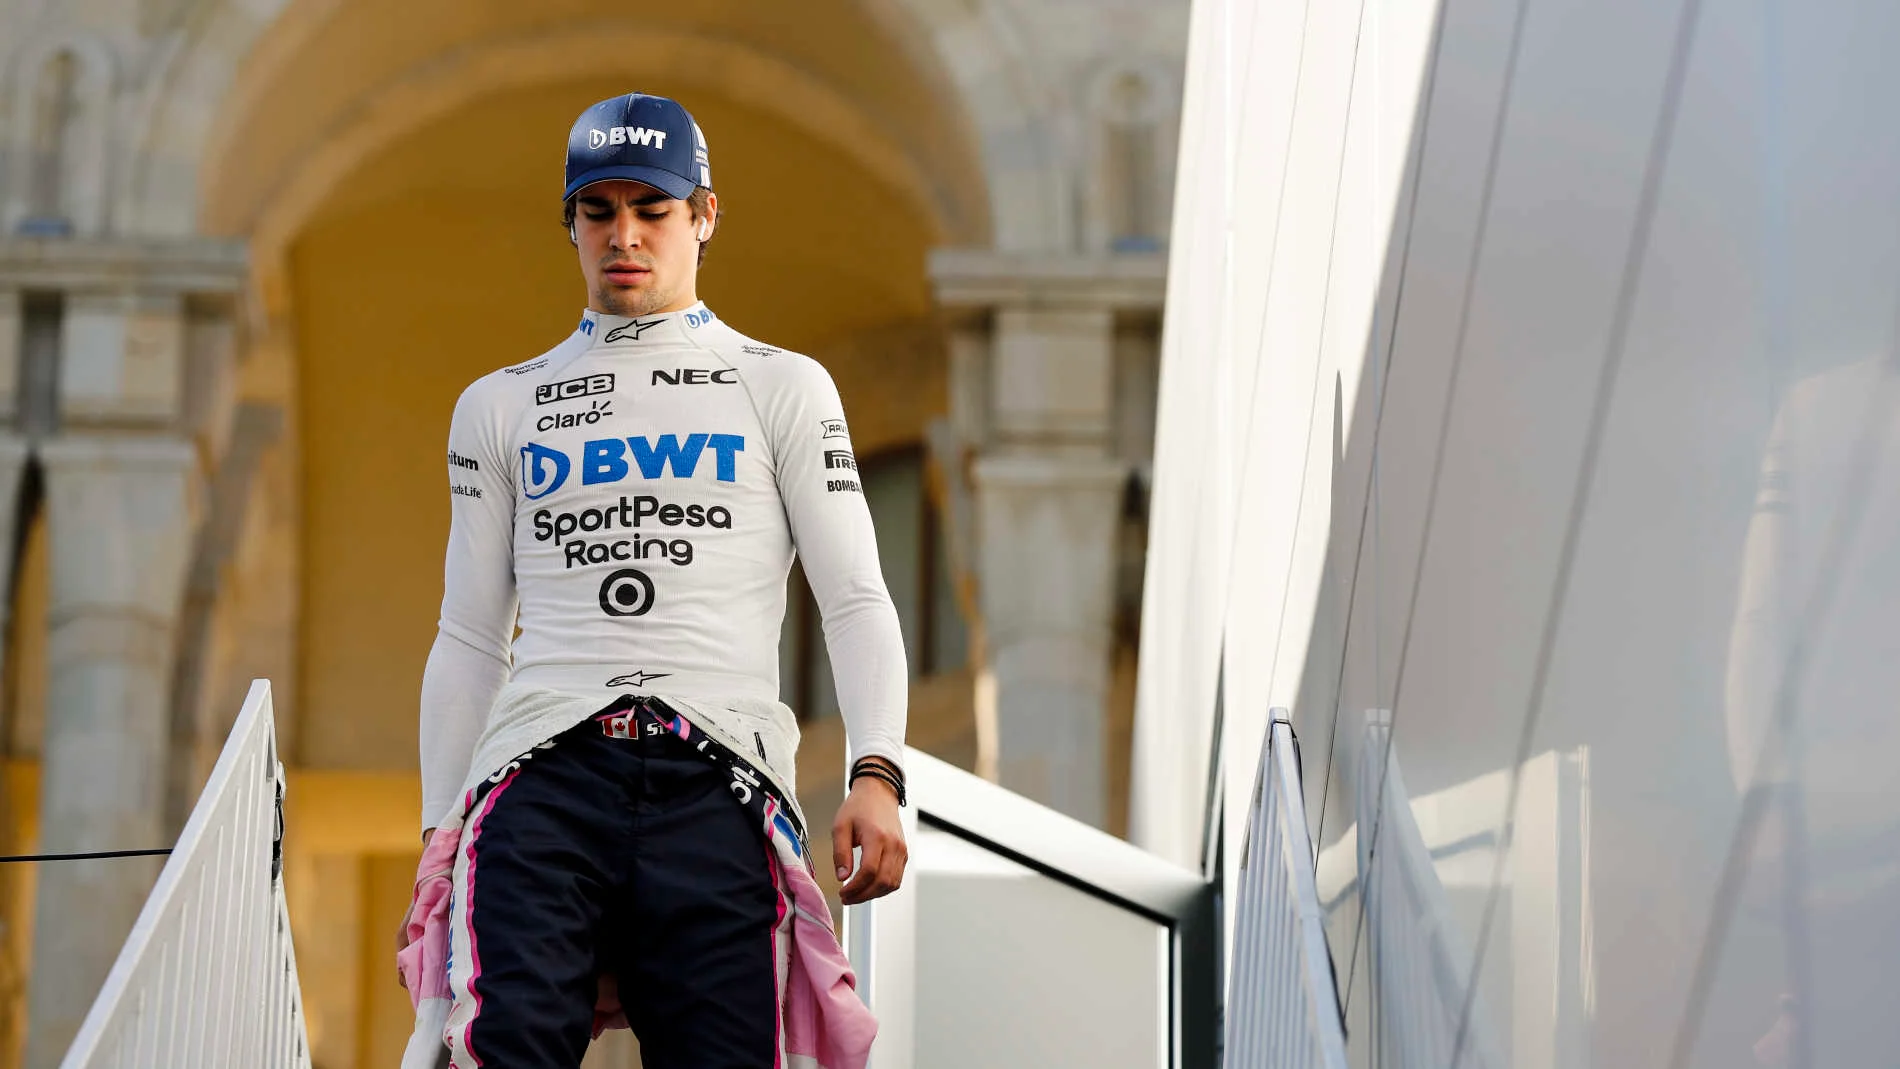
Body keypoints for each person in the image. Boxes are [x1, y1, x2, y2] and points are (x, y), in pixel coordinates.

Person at [406, 91, 909, 1068]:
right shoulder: (499, 405)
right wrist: (438, 828)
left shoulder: (781, 384)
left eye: (654, 208)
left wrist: (877, 770)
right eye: (598, 210)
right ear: (571, 224)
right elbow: (468, 632)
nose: (623, 235)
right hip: (540, 773)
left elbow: (853, 595)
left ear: (705, 215)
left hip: (716, 777)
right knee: (506, 1047)